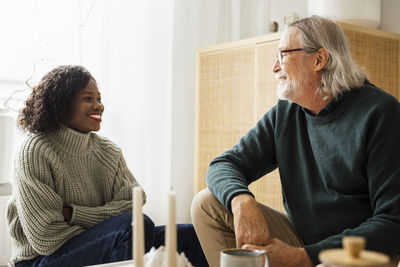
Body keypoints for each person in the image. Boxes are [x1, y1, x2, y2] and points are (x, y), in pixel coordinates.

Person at [191, 15, 400, 267]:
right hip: (303, 241)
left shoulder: (381, 113)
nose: (275, 67)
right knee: (207, 204)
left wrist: (304, 257)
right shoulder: (286, 112)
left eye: (283, 55)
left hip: (355, 255)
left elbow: (393, 222)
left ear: (319, 59)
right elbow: (224, 164)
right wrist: (241, 200)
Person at [7, 65, 208, 267]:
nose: (99, 106)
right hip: (40, 260)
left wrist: (74, 214)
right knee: (134, 226)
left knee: (188, 236)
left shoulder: (107, 151)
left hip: (96, 241)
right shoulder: (35, 150)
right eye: (88, 99)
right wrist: (105, 230)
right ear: (62, 104)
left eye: (99, 99)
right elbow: (46, 236)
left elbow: (132, 202)